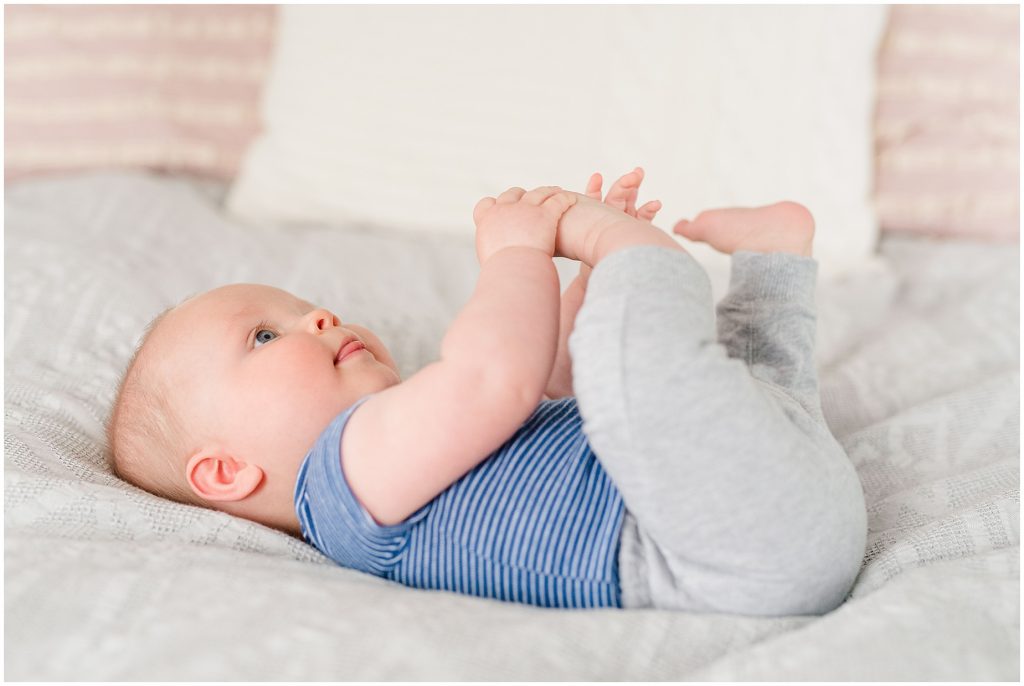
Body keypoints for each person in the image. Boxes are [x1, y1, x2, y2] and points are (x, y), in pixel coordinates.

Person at [107, 169, 867, 615]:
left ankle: (775, 263)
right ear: (225, 472)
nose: (317, 315)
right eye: (265, 337)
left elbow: (551, 385)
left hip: (772, 502)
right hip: (719, 540)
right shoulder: (339, 480)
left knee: (739, 377)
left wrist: (586, 288)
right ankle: (646, 257)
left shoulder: (409, 447)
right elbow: (495, 377)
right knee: (641, 370)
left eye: (299, 306)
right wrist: (516, 258)